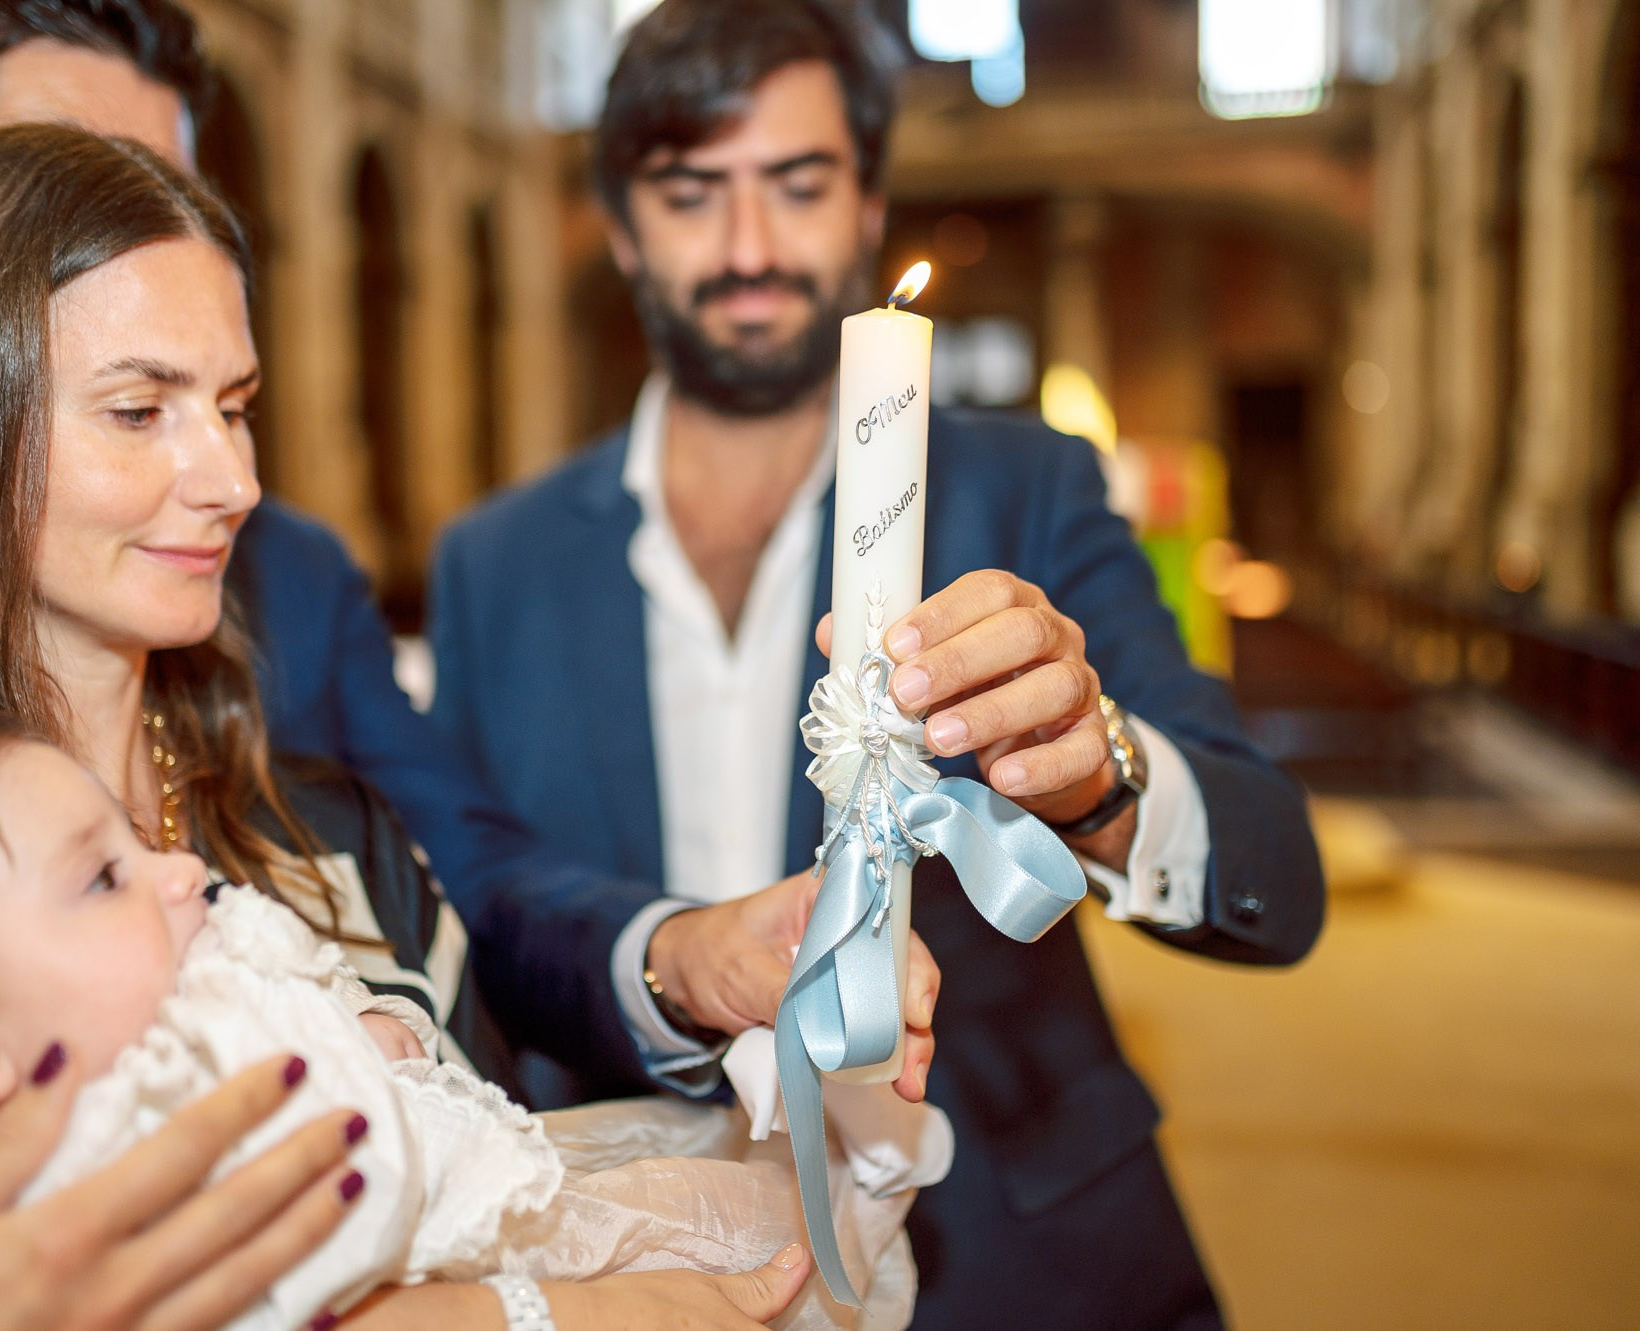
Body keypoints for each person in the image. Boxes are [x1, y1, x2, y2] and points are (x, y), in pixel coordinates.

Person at [0, 1, 935, 1322]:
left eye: (235, 407)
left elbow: (490, 1169)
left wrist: (688, 960)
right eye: (138, 410)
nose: (233, 480)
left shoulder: (332, 827)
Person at [426, 2, 1327, 1328]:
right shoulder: (493, 560)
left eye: (796, 186)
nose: (748, 249)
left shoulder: (1023, 488)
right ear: (621, 226)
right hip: (640, 1250)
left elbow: (1277, 873)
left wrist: (1100, 772)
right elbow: (487, 908)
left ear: (865, 206)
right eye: (691, 194)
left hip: (1008, 1242)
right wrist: (670, 962)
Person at [0, 711, 924, 1330]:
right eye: (138, 409)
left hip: (515, 1189)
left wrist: (369, 1033)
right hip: (487, 1239)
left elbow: (444, 906)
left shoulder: (271, 852)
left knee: (741, 1222)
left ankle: (851, 1177)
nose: (179, 873)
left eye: (230, 407)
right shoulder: (49, 1167)